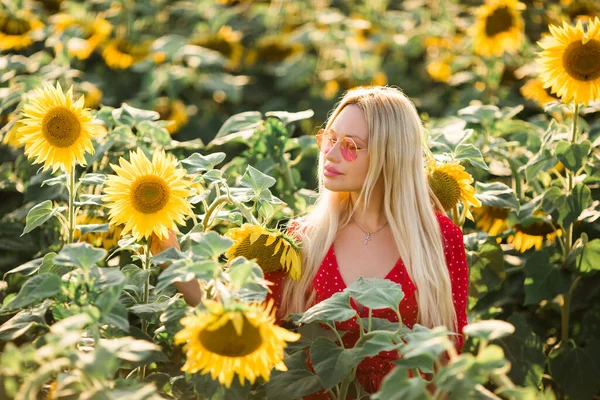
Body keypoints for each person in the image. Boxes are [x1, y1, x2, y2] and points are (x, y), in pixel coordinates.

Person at [154, 86, 469, 398]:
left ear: (391, 154)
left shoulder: (438, 240)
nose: (330, 155)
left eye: (349, 146)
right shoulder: (304, 239)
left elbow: (447, 354)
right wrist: (170, 254)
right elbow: (241, 320)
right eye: (330, 139)